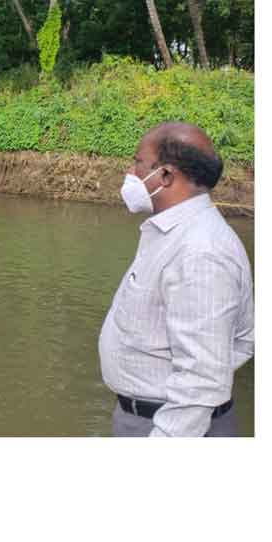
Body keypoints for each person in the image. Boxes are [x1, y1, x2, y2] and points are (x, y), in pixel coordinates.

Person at [99, 122, 254, 437]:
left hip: (171, 427)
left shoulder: (202, 252)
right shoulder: (174, 234)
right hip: (144, 417)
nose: (130, 172)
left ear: (165, 176)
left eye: (138, 163)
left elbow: (201, 379)